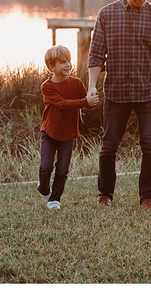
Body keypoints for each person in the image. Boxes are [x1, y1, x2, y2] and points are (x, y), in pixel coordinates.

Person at [88, 0, 151, 209]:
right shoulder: (106, 14)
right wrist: (92, 86)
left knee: (150, 145)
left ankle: (147, 197)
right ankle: (105, 194)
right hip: (115, 92)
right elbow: (96, 55)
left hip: (148, 94)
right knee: (109, 146)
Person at [38, 45, 98, 210]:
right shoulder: (47, 86)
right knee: (46, 166)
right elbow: (63, 104)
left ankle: (54, 199)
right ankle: (43, 187)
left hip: (68, 136)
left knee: (62, 170)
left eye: (69, 61)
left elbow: (87, 103)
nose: (68, 65)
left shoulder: (76, 83)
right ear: (52, 67)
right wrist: (85, 101)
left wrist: (92, 99)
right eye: (63, 62)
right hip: (49, 134)